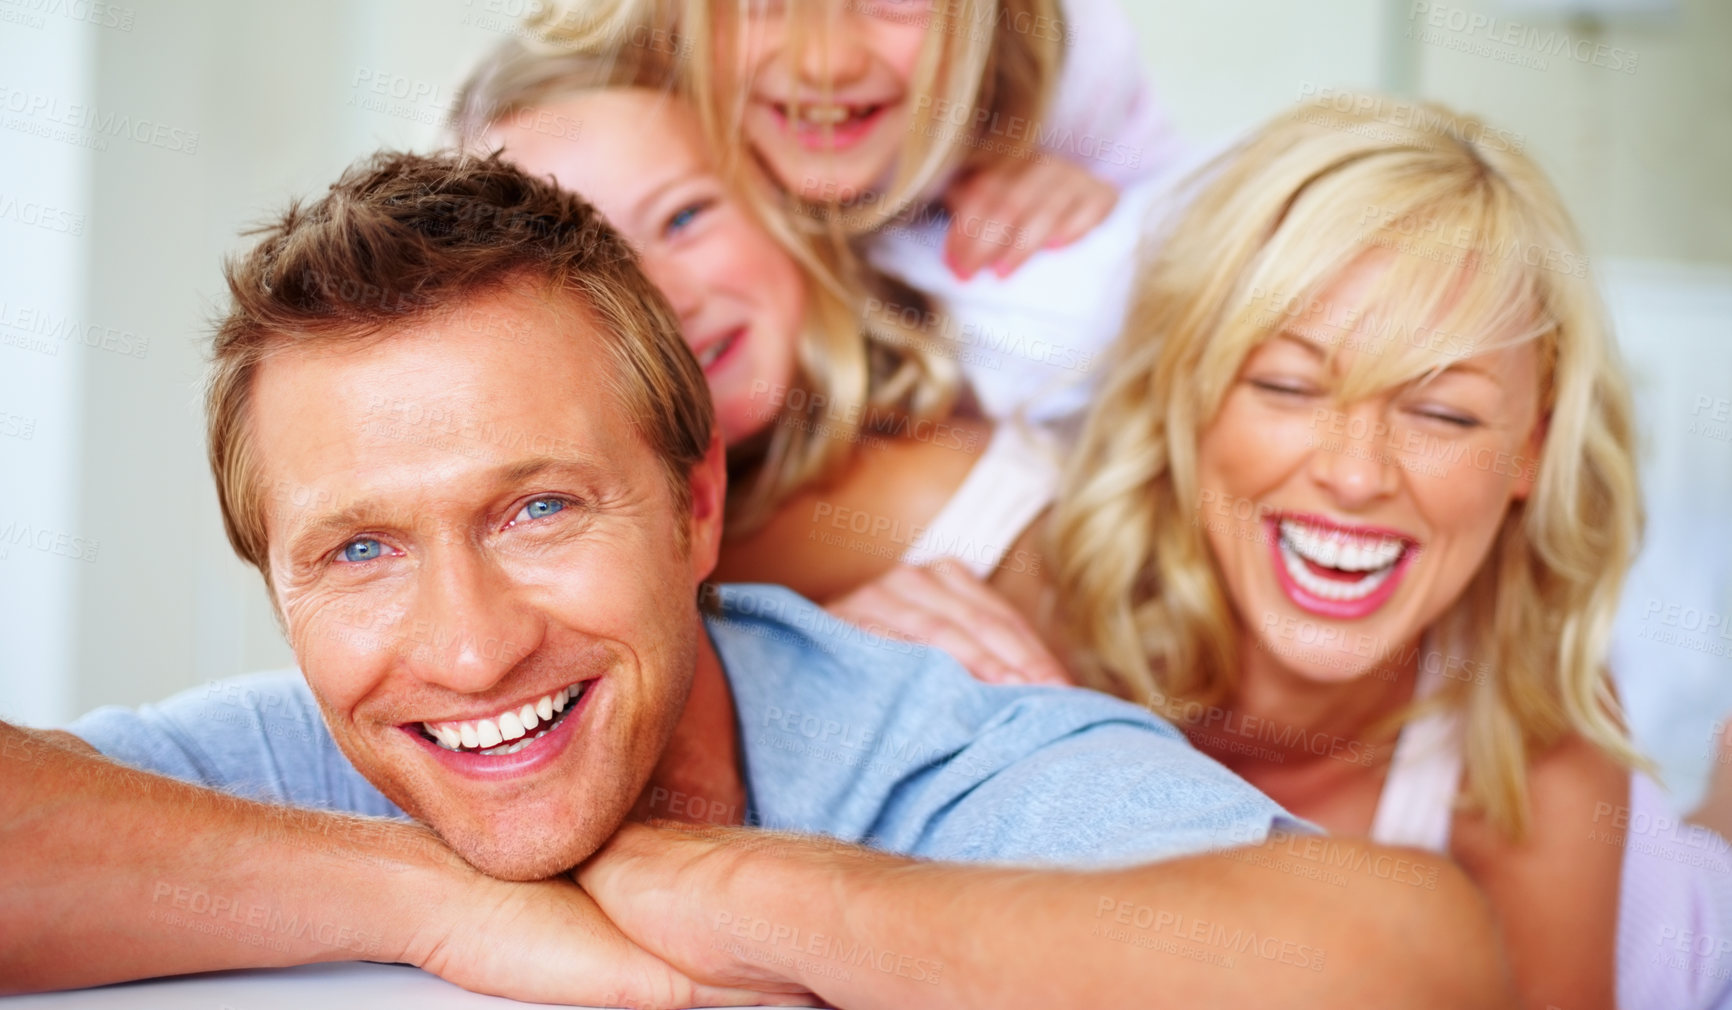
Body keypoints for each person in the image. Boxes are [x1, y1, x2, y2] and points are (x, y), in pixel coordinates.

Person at [1, 150, 1514, 1008]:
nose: (465, 652)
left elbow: (1406, 962)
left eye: (537, 506)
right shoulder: (306, 758)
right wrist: (429, 896)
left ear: (697, 501)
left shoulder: (934, 757)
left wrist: (721, 880)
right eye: (359, 551)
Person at [863, 96, 1732, 1010]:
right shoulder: (977, 541)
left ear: (1529, 454)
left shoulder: (1531, 739)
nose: (1356, 475)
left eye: (1442, 412)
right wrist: (813, 642)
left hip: (1668, 923)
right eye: (1288, 387)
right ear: (1186, 396)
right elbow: (704, 564)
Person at [458, 43, 1070, 683]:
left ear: (788, 209)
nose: (667, 298)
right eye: (588, 269)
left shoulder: (958, 499)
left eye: (685, 216)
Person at [531, 0, 1180, 422]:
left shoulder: (1079, 75)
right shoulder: (606, 128)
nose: (824, 62)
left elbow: (1189, 217)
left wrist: (1079, 182)